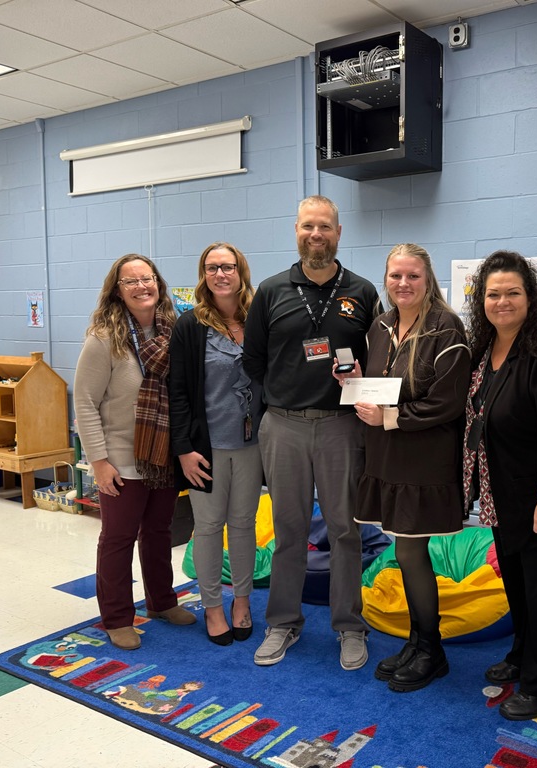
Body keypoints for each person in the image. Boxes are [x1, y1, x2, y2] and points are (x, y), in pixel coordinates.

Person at [242, 195, 380, 671]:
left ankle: (349, 626)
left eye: (324, 226)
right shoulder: (271, 290)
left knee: (346, 530)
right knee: (289, 531)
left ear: (338, 232)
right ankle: (282, 622)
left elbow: (377, 361)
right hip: (283, 427)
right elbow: (254, 361)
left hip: (342, 427)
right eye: (307, 226)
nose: (315, 234)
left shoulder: (362, 292)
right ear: (295, 230)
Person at [337, 243, 471, 692]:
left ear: (428, 278)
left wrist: (390, 417)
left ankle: (431, 650)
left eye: (412, 275)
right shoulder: (380, 325)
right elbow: (383, 388)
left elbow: (449, 403)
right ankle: (418, 642)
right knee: (404, 550)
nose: (403, 284)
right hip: (386, 455)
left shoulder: (447, 328)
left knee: (411, 552)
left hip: (425, 458)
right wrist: (354, 384)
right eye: (396, 275)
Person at [462, 250, 537, 721]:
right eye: (493, 294)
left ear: (531, 296)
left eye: (513, 292)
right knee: (518, 586)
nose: (502, 301)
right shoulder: (487, 345)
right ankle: (522, 655)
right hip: (502, 496)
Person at [74, 254, 196, 651]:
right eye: (131, 282)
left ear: (158, 284)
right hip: (121, 459)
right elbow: (85, 403)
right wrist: (99, 461)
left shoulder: (174, 331)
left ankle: (162, 602)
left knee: (159, 533)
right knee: (117, 538)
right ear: (118, 290)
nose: (142, 286)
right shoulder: (104, 339)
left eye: (148, 279)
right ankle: (116, 618)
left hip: (162, 455)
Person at [169, 242, 264, 646]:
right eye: (211, 268)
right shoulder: (190, 326)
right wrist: (184, 449)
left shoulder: (260, 320)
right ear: (203, 275)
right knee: (208, 527)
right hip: (205, 448)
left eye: (227, 267)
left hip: (252, 445)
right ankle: (211, 607)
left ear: (241, 271)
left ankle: (241, 602)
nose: (220, 274)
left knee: (243, 526)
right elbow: (177, 392)